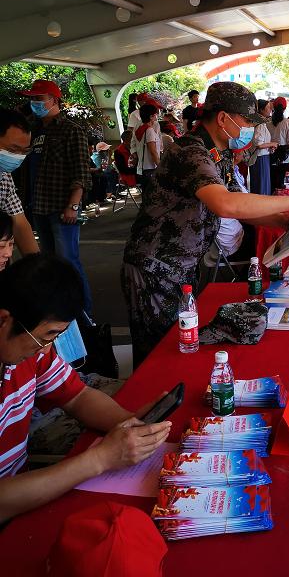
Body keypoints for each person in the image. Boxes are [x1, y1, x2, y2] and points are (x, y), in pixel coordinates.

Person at [121, 82, 289, 365]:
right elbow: (224, 203)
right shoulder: (190, 151)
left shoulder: (220, 152)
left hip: (183, 266)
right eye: (248, 121)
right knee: (159, 356)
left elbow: (240, 206)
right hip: (155, 267)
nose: (251, 129)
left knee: (182, 346)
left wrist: (285, 223)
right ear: (223, 118)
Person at [0, 252, 172, 522]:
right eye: (47, 336)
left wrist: (132, 424)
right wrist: (100, 459)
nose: (46, 348)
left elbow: (77, 396)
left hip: (29, 498)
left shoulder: (32, 354)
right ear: (4, 320)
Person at [21, 80, 92, 317]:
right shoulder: (34, 130)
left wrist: (73, 205)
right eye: (32, 99)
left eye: (39, 99)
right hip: (39, 207)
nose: (35, 103)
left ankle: (84, 316)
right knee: (50, 265)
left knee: (69, 262)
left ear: (54, 100)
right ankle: (60, 313)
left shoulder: (71, 130)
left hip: (62, 209)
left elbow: (81, 172)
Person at [0, 108, 38, 255]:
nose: (18, 157)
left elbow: (20, 223)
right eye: (13, 149)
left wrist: (38, 267)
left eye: (24, 151)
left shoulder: (4, 177)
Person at [268, 97, 289, 187]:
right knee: (283, 186)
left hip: (270, 158)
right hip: (284, 159)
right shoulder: (287, 122)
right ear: (285, 108)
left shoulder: (267, 122)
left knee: (273, 185)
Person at [249, 100, 277, 196]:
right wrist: (272, 144)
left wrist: (270, 146)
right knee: (261, 186)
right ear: (261, 110)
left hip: (263, 157)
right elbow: (259, 144)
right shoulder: (260, 125)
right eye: (268, 107)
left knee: (262, 185)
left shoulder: (262, 123)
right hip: (260, 158)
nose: (270, 109)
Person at [132, 104, 162, 188]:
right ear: (151, 116)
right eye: (156, 114)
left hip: (143, 168)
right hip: (150, 168)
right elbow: (153, 152)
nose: (157, 115)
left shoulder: (140, 129)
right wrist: (160, 167)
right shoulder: (149, 130)